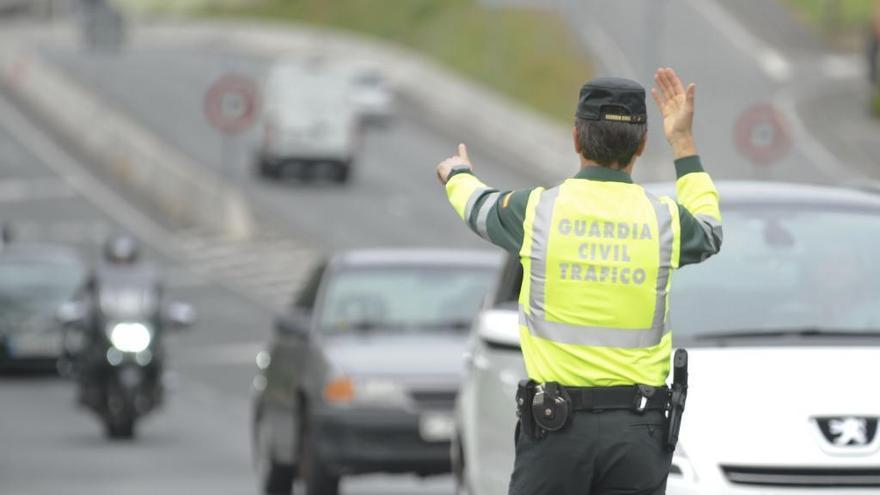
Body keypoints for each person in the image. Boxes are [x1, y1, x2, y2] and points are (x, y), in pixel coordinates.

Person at [435, 68, 722, 495]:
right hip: (637, 435)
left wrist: (457, 173)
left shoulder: (536, 212)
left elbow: (477, 206)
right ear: (642, 145)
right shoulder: (666, 221)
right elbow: (711, 230)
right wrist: (682, 142)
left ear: (576, 138)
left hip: (555, 433)